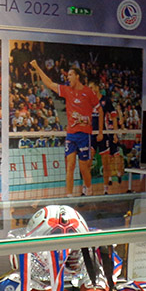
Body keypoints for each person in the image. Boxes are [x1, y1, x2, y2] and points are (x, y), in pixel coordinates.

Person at [29, 59, 98, 196]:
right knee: (70, 166)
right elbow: (49, 83)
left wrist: (93, 124)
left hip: (84, 134)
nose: (68, 78)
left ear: (77, 76)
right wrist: (37, 67)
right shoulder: (67, 90)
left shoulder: (88, 92)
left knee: (84, 167)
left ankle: (89, 188)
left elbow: (98, 109)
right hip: (71, 134)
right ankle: (69, 195)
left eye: (70, 75)